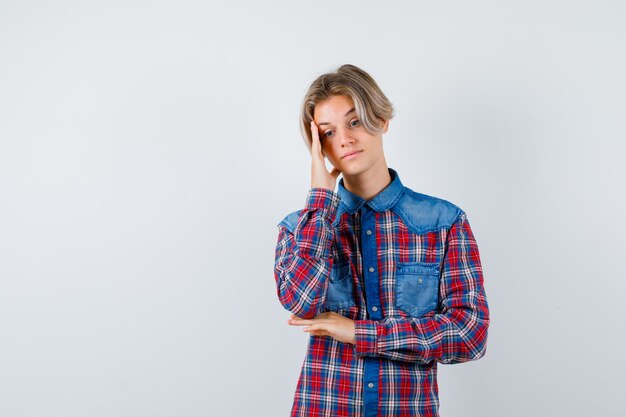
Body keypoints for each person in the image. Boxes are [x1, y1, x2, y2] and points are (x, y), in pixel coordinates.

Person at [273, 64, 490, 417]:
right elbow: (301, 303)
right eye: (328, 133)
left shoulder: (443, 222)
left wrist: (361, 333)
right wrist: (320, 199)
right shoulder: (299, 228)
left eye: (354, 121)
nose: (344, 139)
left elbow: (470, 334)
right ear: (318, 147)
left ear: (381, 120)